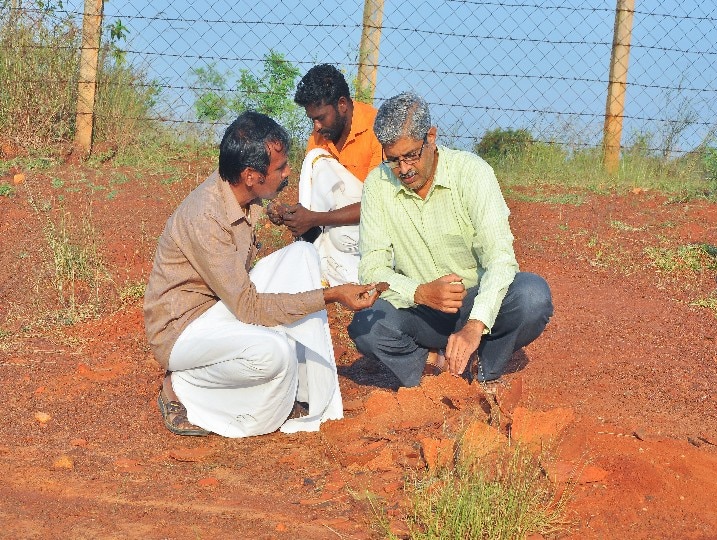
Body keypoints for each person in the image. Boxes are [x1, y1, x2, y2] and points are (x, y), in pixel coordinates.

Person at [144, 111, 381, 438]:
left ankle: (305, 391)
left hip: (219, 308)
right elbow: (249, 307)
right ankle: (183, 385)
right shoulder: (205, 217)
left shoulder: (237, 191)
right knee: (274, 353)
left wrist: (274, 212)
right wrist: (333, 295)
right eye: (280, 168)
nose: (287, 173)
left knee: (302, 254)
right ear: (251, 176)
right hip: (182, 330)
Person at [348, 92, 553, 389]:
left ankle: (483, 366)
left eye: (411, 155)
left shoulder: (472, 173)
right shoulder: (377, 186)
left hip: (473, 303)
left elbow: (500, 258)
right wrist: (419, 292)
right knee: (366, 326)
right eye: (393, 159)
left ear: (431, 137)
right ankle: (434, 363)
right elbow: (371, 268)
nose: (403, 169)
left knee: (532, 296)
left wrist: (475, 324)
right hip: (420, 314)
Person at [267, 64, 382, 286]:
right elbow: (316, 199)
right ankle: (319, 265)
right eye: (312, 120)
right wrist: (290, 213)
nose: (317, 127)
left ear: (342, 104)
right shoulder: (321, 134)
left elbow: (377, 207)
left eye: (320, 118)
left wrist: (313, 219)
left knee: (315, 158)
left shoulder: (375, 127)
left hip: (375, 229)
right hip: (343, 231)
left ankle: (310, 254)